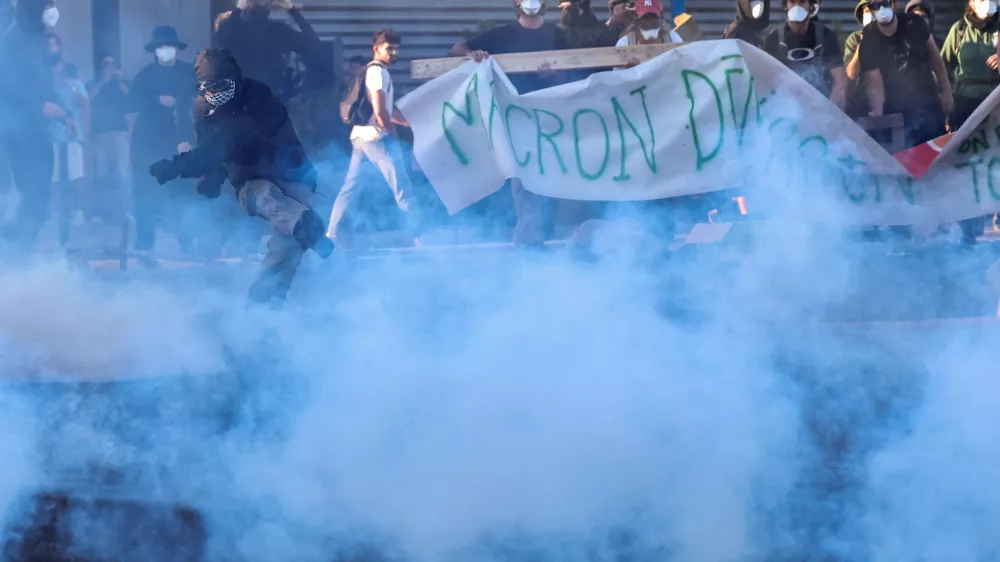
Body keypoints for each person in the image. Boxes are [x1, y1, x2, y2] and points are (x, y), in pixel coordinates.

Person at [149, 48, 333, 308]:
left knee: (286, 251)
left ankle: (262, 310)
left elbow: (227, 141)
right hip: (250, 183)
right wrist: (212, 179)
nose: (215, 93)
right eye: (208, 87)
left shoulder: (259, 97)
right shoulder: (204, 110)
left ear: (235, 79)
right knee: (266, 197)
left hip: (292, 176)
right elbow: (213, 149)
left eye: (222, 85)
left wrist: (177, 165)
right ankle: (305, 228)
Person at [451, 0, 569, 247]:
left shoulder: (556, 34)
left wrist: (553, 74)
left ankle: (543, 233)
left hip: (549, 119)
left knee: (550, 177)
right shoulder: (501, 34)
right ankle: (527, 236)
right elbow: (458, 49)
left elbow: (569, 75)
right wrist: (472, 55)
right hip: (515, 119)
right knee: (522, 179)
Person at [328, 29, 421, 247]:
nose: (394, 52)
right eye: (389, 48)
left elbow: (384, 111)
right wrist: (394, 135)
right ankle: (421, 234)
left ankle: (331, 234)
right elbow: (380, 114)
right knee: (402, 187)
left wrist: (408, 122)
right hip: (378, 139)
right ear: (376, 48)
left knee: (351, 187)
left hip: (360, 137)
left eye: (396, 48)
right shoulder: (379, 72)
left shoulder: (370, 71)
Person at [127, 26, 197, 262]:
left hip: (179, 137)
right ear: (155, 51)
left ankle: (187, 241)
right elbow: (131, 102)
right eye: (161, 47)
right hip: (147, 140)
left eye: (170, 46)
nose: (166, 50)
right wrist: (156, 99)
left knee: (183, 191)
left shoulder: (189, 73)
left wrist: (186, 139)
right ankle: (145, 241)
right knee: (145, 189)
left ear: (177, 49)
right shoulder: (145, 75)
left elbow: (196, 106)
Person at [0, 0, 64, 252]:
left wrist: (62, 111)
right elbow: (7, 81)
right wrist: (39, 105)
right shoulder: (13, 38)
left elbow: (45, 82)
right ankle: (14, 242)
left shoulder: (38, 40)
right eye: (47, 6)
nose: (52, 11)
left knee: (39, 188)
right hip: (16, 127)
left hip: (36, 127)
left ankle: (21, 242)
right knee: (29, 186)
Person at [942, 0, 1000, 242]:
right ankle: (968, 226)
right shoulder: (959, 30)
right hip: (966, 105)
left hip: (997, 105)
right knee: (967, 164)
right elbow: (943, 66)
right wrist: (947, 108)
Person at [858, 0, 953, 148]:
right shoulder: (869, 36)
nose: (881, 9)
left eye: (885, 3)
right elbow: (874, 79)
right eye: (875, 6)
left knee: (935, 155)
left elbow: (935, 56)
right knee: (904, 158)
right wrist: (877, 109)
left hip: (928, 103)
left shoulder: (915, 23)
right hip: (896, 107)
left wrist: (946, 90)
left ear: (894, 4)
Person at [214, 0, 320, 101]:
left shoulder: (235, 32)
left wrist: (238, 9)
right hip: (269, 102)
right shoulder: (278, 31)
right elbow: (312, 43)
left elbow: (222, 35)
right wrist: (292, 10)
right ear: (270, 6)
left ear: (247, 4)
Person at [762, 0, 847, 110]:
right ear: (785, 6)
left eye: (802, 2)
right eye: (792, 2)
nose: (797, 6)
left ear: (811, 5)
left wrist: (829, 110)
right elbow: (764, 80)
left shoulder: (825, 36)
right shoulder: (774, 38)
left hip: (821, 107)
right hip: (785, 109)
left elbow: (840, 81)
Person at [87, 54, 131, 224]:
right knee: (101, 174)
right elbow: (87, 98)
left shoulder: (123, 84)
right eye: (106, 64)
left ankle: (124, 211)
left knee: (121, 174)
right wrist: (103, 81)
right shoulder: (93, 84)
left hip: (120, 133)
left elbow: (132, 99)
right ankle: (101, 212)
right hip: (99, 133)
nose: (109, 68)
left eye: (112, 64)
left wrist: (119, 80)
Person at [844, 0, 873, 117]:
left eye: (874, 10)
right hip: (862, 104)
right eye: (867, 11)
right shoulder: (854, 39)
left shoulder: (891, 36)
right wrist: (863, 43)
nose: (871, 14)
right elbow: (851, 73)